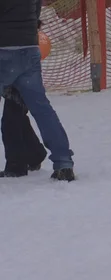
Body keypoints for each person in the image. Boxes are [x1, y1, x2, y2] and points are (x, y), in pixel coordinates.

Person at [0, 0, 76, 181]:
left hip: (4, 49)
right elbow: (35, 10)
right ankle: (64, 163)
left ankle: (24, 159)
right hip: (29, 48)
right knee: (43, 110)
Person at [0, 86, 47, 177]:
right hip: (18, 78)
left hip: (15, 77)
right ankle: (34, 154)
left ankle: (17, 165)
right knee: (15, 114)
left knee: (12, 118)